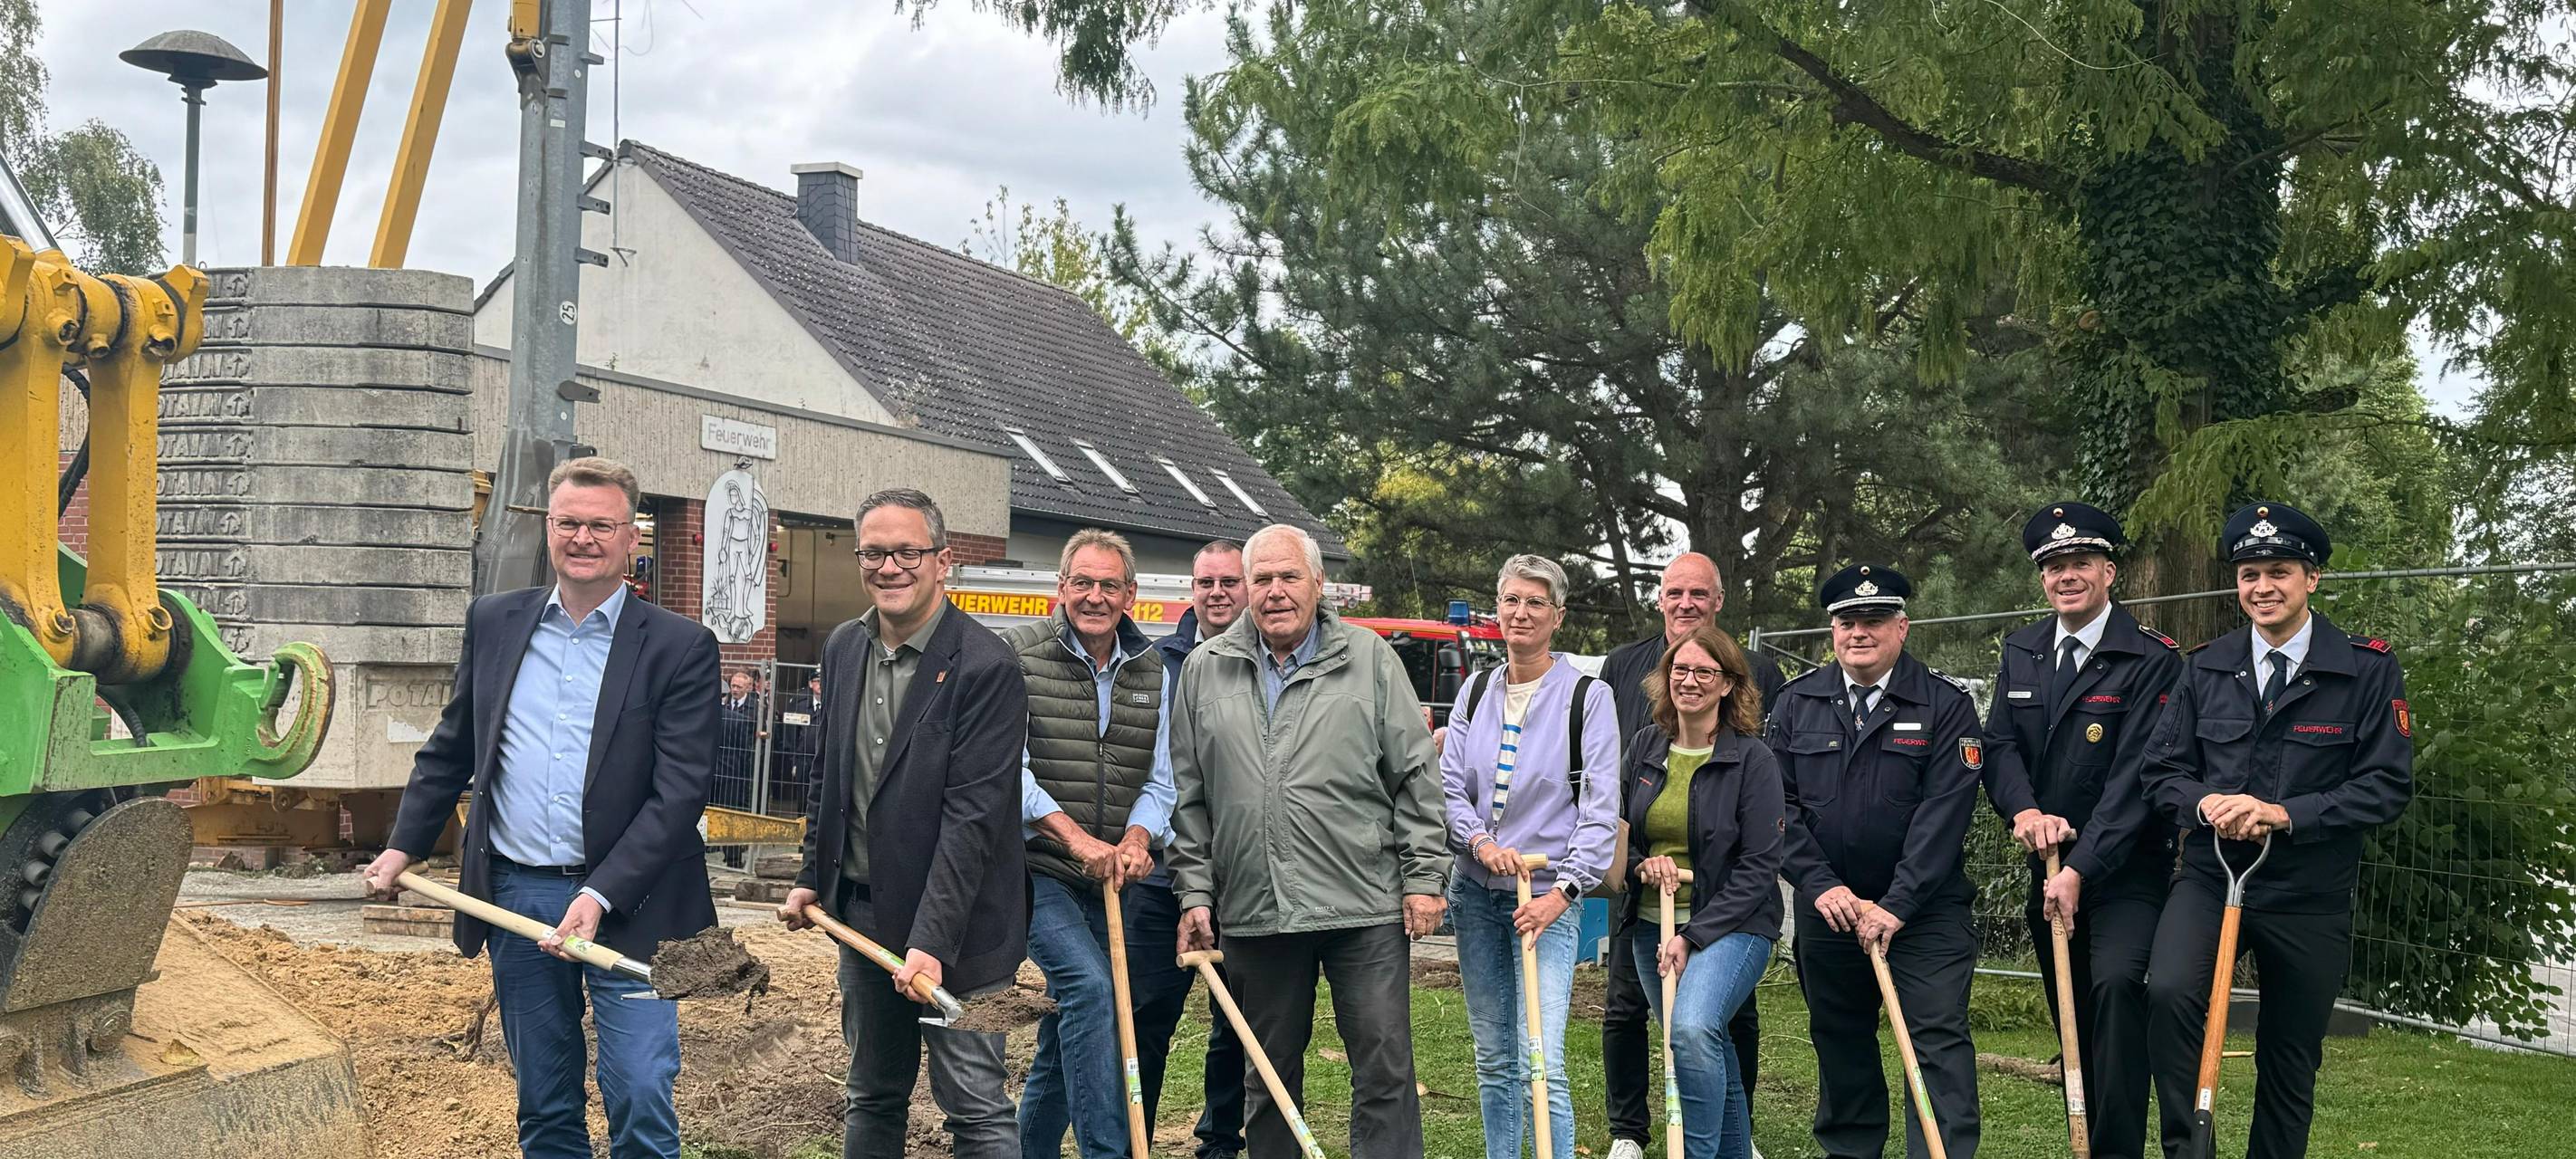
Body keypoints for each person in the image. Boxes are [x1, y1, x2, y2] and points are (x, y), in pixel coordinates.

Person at [362, 456, 718, 1159]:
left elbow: (679, 794)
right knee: (545, 1100)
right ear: (548, 528)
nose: (583, 538)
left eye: (601, 526)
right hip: (519, 897)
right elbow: (452, 747)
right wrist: (404, 844)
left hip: (639, 903)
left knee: (641, 1089)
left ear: (631, 538)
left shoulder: (680, 647)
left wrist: (600, 892)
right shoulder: (495, 621)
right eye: (568, 523)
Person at [2142, 503, 2413, 1159]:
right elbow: (2162, 771)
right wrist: (2207, 803)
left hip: (2308, 890)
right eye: (2249, 575)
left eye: (2279, 572)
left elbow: (2386, 784)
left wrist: (2286, 814)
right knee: (2169, 993)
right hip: (2212, 877)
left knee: (2291, 1053)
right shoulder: (2206, 666)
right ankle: (2190, 1151)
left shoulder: (2366, 670)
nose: (2262, 587)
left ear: (2311, 578)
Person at [1168, 522, 1447, 1159]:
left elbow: (1415, 774)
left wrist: (1425, 877)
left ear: (1318, 584)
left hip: (1364, 906)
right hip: (1256, 909)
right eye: (1262, 578)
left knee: (1384, 1068)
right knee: (1267, 1078)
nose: (1275, 591)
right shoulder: (1206, 670)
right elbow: (1188, 796)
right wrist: (1195, 893)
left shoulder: (1369, 658)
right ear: (1246, 587)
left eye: (1289, 576)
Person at [777, 488, 1030, 1159]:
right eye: (874, 553)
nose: (889, 568)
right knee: (872, 1094)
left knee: (975, 1108)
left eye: (907, 553)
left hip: (962, 930)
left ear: (943, 562)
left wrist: (932, 940)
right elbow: (828, 776)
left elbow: (973, 821)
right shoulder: (844, 647)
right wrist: (812, 874)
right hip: (863, 919)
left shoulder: (987, 666)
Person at [1979, 503, 2183, 1159]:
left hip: (2125, 871)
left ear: (2108, 572)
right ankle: (2090, 1141)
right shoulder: (2023, 650)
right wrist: (2023, 812)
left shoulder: (2150, 658)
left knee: (2118, 992)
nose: (2066, 576)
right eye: (2054, 567)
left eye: (2081, 563)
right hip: (2047, 869)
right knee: (2076, 1017)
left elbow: (2138, 777)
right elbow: (1998, 745)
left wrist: (2080, 867)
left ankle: (2117, 1149)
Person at [1769, 564, 1982, 1159]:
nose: (1859, 632)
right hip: (1831, 909)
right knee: (1840, 1040)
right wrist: (1820, 886)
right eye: (1847, 622)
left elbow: (1944, 817)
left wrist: (1898, 904)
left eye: (1874, 620)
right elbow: (1775, 807)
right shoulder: (1797, 701)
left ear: (1902, 627)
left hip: (1924, 911)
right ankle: (1850, 1151)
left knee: (1936, 1038)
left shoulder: (1944, 704)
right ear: (1832, 630)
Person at [1598, 553, 1782, 1159]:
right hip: (1651, 923)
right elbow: (1622, 829)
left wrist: (1694, 934)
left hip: (1730, 926)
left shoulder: (1752, 759)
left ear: (1728, 683)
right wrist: (1641, 860)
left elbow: (1760, 865)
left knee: (1693, 1029)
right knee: (1706, 1042)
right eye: (1681, 670)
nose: (1690, 681)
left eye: (1705, 672)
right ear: (1665, 677)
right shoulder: (1645, 747)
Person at [1440, 555, 1623, 1159]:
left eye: (1536, 603)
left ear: (1558, 616)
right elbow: (1449, 788)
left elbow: (1600, 808)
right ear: (1498, 609)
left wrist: (1562, 895)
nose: (1521, 613)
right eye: (1511, 600)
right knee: (1494, 1057)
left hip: (1545, 902)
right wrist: (1480, 843)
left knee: (1538, 1059)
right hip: (1475, 894)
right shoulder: (1474, 691)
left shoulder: (1588, 698)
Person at [1008, 529, 1177, 1159]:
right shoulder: (1018, 654)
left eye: (1109, 585)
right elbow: (1007, 771)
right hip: (1035, 869)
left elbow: (1161, 779)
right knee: (1092, 990)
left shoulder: (1152, 668)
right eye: (1082, 582)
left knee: (1068, 1032)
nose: (1094, 596)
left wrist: (1136, 838)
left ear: (1131, 595)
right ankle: (1107, 1152)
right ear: (1061, 587)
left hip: (1108, 880)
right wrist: (1076, 840)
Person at [1133, 540, 1251, 1159]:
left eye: (1230, 581)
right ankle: (1133, 1141)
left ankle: (1220, 1141)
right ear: (1193, 590)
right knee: (1144, 1017)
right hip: (1161, 877)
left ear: (1248, 587)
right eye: (1206, 582)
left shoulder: (1267, 663)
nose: (1217, 593)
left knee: (1239, 1021)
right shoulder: (1155, 663)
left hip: (1242, 878)